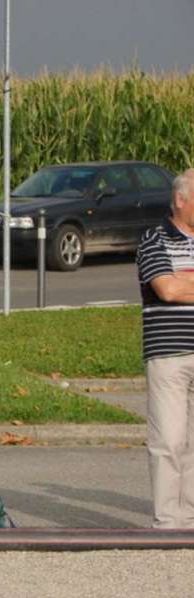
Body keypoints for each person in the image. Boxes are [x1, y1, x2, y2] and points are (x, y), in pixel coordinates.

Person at [137, 167, 194, 528]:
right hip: (170, 352)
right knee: (169, 439)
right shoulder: (154, 238)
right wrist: (177, 285)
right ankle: (170, 522)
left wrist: (183, 281)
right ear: (181, 199)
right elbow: (167, 290)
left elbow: (179, 286)